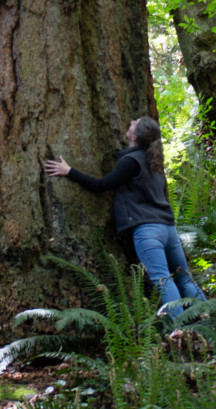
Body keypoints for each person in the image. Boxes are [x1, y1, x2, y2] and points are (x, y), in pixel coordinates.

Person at [45, 116, 206, 318]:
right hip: (168, 229)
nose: (130, 122)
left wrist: (69, 171)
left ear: (136, 137)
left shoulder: (131, 161)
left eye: (134, 124)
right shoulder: (154, 160)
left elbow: (101, 185)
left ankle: (179, 328)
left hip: (148, 231)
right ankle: (208, 318)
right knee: (184, 279)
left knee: (163, 279)